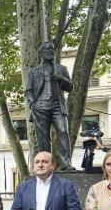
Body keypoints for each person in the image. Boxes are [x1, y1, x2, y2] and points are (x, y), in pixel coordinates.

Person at [25, 42, 74, 170]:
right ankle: (46, 164)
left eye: (52, 49)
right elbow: (28, 91)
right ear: (41, 53)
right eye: (47, 49)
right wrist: (33, 104)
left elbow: (70, 87)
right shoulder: (33, 71)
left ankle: (65, 164)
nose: (50, 51)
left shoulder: (61, 69)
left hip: (58, 105)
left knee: (63, 132)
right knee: (43, 137)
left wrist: (61, 79)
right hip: (40, 106)